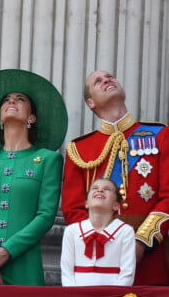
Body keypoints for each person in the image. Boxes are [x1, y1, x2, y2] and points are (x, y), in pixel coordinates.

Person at [61, 70, 169, 285]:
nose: (107, 80)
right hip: (99, 257)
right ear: (90, 102)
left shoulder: (160, 135)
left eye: (110, 77)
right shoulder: (79, 148)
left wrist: (142, 240)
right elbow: (73, 208)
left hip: (150, 254)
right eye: (98, 81)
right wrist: (106, 241)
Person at [0, 69, 68, 285]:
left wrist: (7, 251)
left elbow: (45, 215)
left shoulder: (49, 159)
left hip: (24, 260)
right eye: (6, 100)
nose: (12, 101)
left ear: (31, 117)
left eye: (20, 99)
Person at [61, 178, 135, 286]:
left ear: (116, 205)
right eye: (94, 188)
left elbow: (127, 274)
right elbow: (67, 273)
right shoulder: (72, 231)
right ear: (86, 203)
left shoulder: (125, 231)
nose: (99, 190)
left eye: (107, 189)